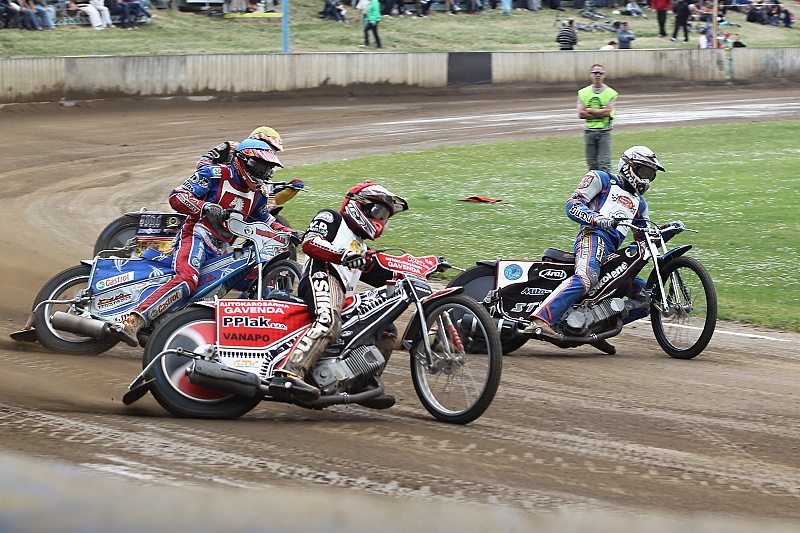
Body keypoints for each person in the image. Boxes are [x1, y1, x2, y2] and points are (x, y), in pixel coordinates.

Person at [116, 139, 294, 345]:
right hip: (196, 235)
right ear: (242, 161)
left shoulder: (259, 194)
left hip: (223, 248)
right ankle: (133, 320)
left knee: (255, 276)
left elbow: (266, 221)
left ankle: (245, 337)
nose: (263, 173)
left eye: (268, 168)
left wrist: (292, 232)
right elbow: (177, 196)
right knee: (187, 278)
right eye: (260, 166)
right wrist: (205, 207)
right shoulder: (213, 175)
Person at [523, 146, 686, 354]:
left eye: (650, 175)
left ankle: (596, 327)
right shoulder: (601, 179)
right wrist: (597, 219)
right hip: (591, 237)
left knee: (647, 298)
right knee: (587, 278)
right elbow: (572, 205)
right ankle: (540, 320)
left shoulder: (640, 204)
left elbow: (643, 237)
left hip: (611, 253)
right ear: (629, 167)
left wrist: (667, 230)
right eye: (644, 171)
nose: (646, 179)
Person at [267, 182, 409, 408]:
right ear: (362, 205)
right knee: (329, 320)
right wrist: (343, 255)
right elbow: (310, 243)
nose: (381, 221)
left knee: (386, 328)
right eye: (379, 213)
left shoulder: (361, 248)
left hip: (343, 293)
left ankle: (361, 382)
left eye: (385, 218)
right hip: (321, 275)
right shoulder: (332, 218)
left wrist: (416, 270)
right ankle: (288, 374)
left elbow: (381, 275)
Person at [577, 64, 617, 173]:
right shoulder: (583, 93)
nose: (597, 75)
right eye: (595, 73)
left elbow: (607, 112)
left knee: (605, 163)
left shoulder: (610, 93)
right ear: (591, 75)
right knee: (592, 165)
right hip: (589, 131)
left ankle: (608, 188)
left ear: (603, 76)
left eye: (600, 73)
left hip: (604, 131)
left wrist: (589, 109)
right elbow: (581, 114)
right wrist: (601, 111)